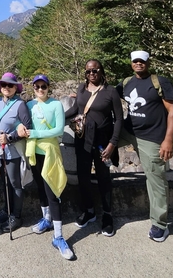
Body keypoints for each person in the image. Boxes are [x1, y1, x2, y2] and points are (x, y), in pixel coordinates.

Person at [116, 50, 173, 242]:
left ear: (147, 62)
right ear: (131, 63)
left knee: (155, 179)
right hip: (128, 132)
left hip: (151, 137)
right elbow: (108, 93)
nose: (138, 64)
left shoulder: (159, 82)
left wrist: (168, 139)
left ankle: (160, 224)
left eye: (141, 61)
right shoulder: (127, 83)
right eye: (135, 61)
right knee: (100, 144)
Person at [17, 74, 73, 260]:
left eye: (43, 86)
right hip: (34, 152)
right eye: (37, 87)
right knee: (40, 187)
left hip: (50, 153)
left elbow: (58, 129)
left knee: (53, 193)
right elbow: (22, 123)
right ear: (33, 88)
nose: (40, 90)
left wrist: (34, 133)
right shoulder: (29, 105)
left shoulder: (56, 105)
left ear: (49, 87)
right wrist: (20, 129)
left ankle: (58, 236)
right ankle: (46, 219)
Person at [65, 59, 123, 237]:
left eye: (95, 71)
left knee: (103, 177)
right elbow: (76, 109)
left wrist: (112, 143)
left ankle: (107, 215)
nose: (92, 74)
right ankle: (89, 211)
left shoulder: (110, 92)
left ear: (101, 71)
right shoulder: (82, 89)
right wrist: (54, 115)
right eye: (88, 71)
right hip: (82, 139)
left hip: (102, 141)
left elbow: (119, 119)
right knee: (83, 177)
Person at [0, 72, 32, 233]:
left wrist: (9, 138)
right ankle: (7, 209)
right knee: (4, 181)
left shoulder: (20, 105)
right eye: (4, 85)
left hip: (13, 151)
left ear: (15, 88)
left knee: (14, 183)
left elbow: (28, 128)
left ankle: (16, 216)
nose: (7, 88)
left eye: (10, 85)